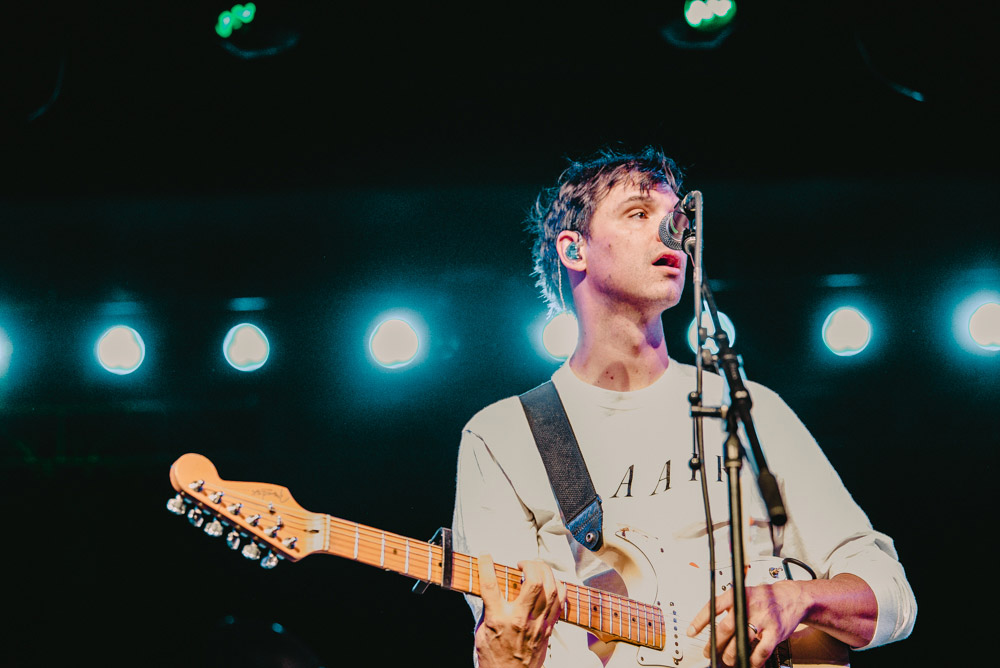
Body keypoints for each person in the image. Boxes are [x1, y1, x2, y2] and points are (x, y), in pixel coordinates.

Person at [451, 146, 916, 668]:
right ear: (574, 250)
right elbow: (510, 637)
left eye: (676, 219)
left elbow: (891, 597)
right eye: (638, 214)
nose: (670, 233)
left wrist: (796, 599)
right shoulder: (503, 437)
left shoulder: (748, 408)